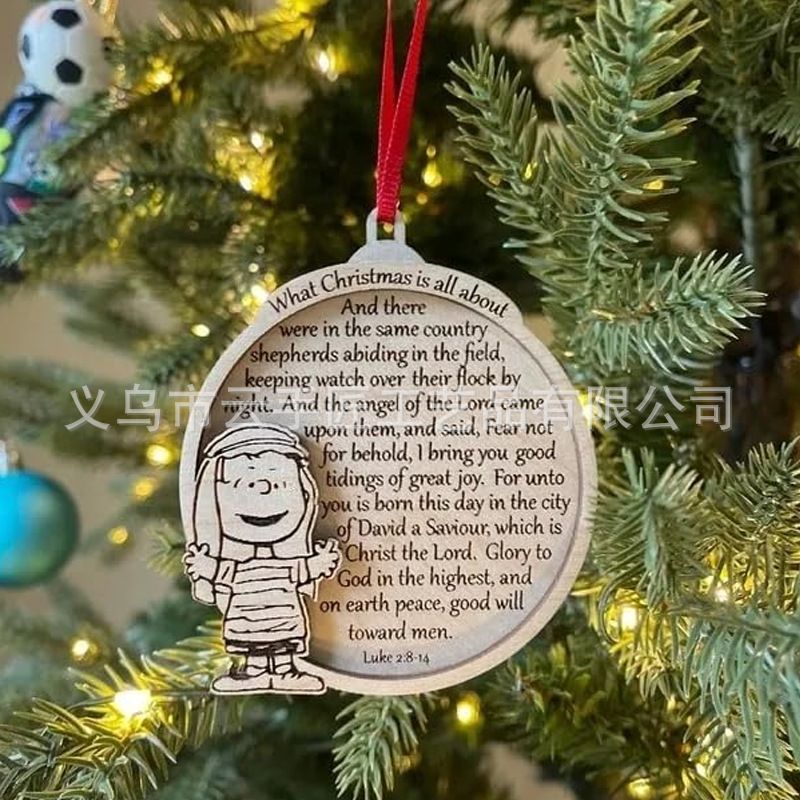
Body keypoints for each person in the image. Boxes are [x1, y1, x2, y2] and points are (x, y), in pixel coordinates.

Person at [184, 424, 340, 694]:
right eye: (241, 486)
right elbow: (222, 572)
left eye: (280, 484)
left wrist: (320, 563)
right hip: (247, 618)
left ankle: (285, 672)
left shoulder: (286, 563)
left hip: (284, 617)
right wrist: (203, 565)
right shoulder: (237, 564)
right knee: (253, 647)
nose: (263, 494)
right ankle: (255, 672)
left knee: (283, 645)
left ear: (303, 494)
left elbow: (300, 570)